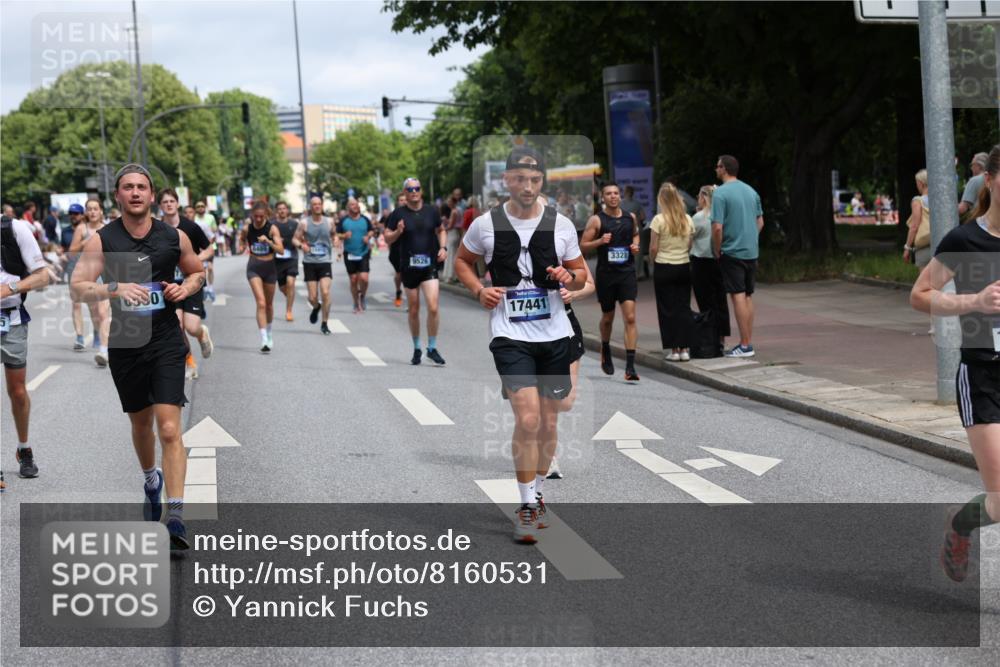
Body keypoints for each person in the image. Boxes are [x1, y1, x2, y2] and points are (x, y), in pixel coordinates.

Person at [455, 146, 587, 544]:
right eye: (519, 179)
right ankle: (527, 505)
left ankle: (539, 491)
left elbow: (581, 276)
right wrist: (479, 289)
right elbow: (462, 261)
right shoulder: (485, 224)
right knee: (528, 419)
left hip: (555, 335)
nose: (527, 186)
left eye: (534, 180)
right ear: (507, 181)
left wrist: (569, 278)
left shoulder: (561, 224)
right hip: (510, 335)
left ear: (541, 182)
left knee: (549, 422)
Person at [72, 163, 205, 549]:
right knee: (141, 424)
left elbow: (198, 272)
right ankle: (151, 479)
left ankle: (176, 515)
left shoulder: (173, 236)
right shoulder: (103, 239)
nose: (135, 193)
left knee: (168, 428)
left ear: (151, 195)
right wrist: (115, 287)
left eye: (141, 187)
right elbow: (79, 287)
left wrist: (186, 288)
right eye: (127, 187)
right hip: (127, 341)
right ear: (118, 195)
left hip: (165, 338)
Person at [911, 143, 1000, 583]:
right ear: (990, 181)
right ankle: (960, 524)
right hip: (984, 376)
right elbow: (919, 295)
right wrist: (975, 301)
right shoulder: (966, 240)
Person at [1, 209, 50, 488]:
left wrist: (9, 289)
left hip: (11, 320)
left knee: (17, 392)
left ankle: (24, 448)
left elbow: (43, 277)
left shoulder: (14, 229)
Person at [580, 182, 640, 381]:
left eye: (616, 193)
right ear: (603, 198)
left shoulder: (629, 217)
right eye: (609, 194)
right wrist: (599, 241)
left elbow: (636, 235)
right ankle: (605, 348)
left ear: (620, 196)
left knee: (630, 317)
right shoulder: (597, 220)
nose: (613, 196)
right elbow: (582, 247)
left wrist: (635, 246)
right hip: (606, 275)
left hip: (627, 273)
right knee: (608, 318)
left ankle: (630, 367)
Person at [384, 178, 447, 365]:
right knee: (413, 309)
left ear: (421, 191)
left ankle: (432, 347)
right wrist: (398, 232)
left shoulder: (431, 211)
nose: (414, 191)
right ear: (404, 192)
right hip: (409, 266)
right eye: (410, 189)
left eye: (417, 188)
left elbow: (441, 230)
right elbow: (387, 238)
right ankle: (417, 347)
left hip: (429, 265)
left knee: (433, 306)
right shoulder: (398, 213)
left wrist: (443, 248)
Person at [157, 189, 214, 378]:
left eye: (172, 201)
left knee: (191, 326)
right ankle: (190, 362)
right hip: (170, 285)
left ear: (177, 203)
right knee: (177, 326)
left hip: (190, 282)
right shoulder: (156, 229)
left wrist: (194, 260)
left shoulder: (190, 227)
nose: (169, 205)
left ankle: (201, 333)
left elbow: (209, 249)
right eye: (165, 202)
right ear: (160, 206)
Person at [712, 155, 763, 358]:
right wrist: (750, 238)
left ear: (724, 169)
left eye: (717, 166)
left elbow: (717, 227)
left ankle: (744, 344)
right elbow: (760, 222)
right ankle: (747, 341)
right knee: (748, 295)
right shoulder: (751, 191)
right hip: (751, 250)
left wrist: (718, 249)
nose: (715, 169)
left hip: (731, 251)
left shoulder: (720, 194)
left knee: (737, 295)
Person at [548, 258, 596, 480]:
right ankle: (549, 457)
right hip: (532, 328)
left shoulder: (565, 244)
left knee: (565, 402)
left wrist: (572, 294)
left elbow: (590, 284)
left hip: (566, 326)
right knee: (545, 402)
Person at [650, 182, 696, 361]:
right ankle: (685, 348)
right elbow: (690, 244)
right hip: (683, 265)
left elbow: (653, 247)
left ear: (661, 200)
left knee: (667, 309)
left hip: (664, 265)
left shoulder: (659, 220)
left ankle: (674, 349)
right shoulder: (687, 219)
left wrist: (653, 261)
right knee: (683, 307)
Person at [68, 199, 112, 366]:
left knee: (102, 312)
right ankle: (92, 334)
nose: (93, 212)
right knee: (90, 309)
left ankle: (103, 350)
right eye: (90, 209)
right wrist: (88, 241)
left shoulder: (109, 228)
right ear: (86, 212)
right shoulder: (81, 228)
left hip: (104, 273)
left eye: (96, 209)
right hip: (85, 273)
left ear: (101, 211)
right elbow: (71, 253)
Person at [239, 201, 285, 352]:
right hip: (254, 267)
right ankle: (264, 338)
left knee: (269, 305)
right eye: (255, 216)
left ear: (266, 215)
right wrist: (241, 246)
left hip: (270, 268)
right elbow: (242, 238)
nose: (258, 219)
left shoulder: (272, 228)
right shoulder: (247, 228)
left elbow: (281, 250)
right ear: (252, 215)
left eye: (261, 216)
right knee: (261, 303)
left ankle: (270, 332)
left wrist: (269, 241)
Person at [690, 185, 730, 344]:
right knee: (720, 299)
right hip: (719, 260)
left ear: (704, 198)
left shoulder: (698, 217)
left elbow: (690, 238)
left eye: (699, 196)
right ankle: (722, 336)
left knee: (705, 300)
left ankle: (709, 334)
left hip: (701, 261)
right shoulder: (722, 215)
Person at [295, 196, 336, 335]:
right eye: (314, 204)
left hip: (325, 261)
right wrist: (301, 245)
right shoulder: (304, 223)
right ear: (310, 207)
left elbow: (334, 235)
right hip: (309, 262)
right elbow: (295, 239)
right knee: (312, 297)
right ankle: (316, 306)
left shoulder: (329, 221)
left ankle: (324, 323)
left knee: (325, 292)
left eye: (319, 204)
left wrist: (336, 241)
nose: (317, 206)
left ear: (322, 205)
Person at [337, 197, 374, 313]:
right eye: (353, 205)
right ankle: (355, 302)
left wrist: (368, 237)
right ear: (348, 208)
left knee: (364, 278)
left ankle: (362, 296)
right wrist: (344, 236)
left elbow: (372, 230)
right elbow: (337, 234)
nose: (356, 206)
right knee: (353, 280)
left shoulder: (365, 219)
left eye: (357, 204)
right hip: (349, 253)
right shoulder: (344, 221)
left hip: (363, 252)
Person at [271, 201, 300, 321]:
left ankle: (289, 311)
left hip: (291, 257)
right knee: (283, 288)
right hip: (277, 260)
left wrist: (301, 243)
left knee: (290, 283)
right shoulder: (272, 225)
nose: (282, 211)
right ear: (276, 211)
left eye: (284, 208)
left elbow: (300, 237)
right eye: (279, 209)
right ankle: (290, 297)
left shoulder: (294, 224)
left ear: (287, 210)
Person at [903, 169, 932, 269]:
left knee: (924, 283)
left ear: (921, 183)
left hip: (925, 246)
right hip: (943, 246)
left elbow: (914, 226)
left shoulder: (917, 201)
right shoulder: (940, 199)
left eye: (916, 183)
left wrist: (907, 248)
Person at [193, 201, 217, 301]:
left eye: (202, 206)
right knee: (202, 269)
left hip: (209, 246)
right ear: (195, 208)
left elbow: (214, 231)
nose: (200, 208)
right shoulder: (194, 218)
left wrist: (208, 244)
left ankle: (210, 288)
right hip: (198, 249)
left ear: (205, 207)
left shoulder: (210, 217)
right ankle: (205, 288)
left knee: (210, 268)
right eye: (198, 206)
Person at [386, 192, 407, 306]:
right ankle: (398, 291)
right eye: (401, 200)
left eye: (405, 199)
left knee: (410, 274)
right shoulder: (393, 215)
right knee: (399, 274)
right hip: (396, 249)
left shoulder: (414, 213)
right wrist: (398, 231)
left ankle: (412, 301)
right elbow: (387, 234)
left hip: (411, 249)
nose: (403, 202)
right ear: (397, 202)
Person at [959, 152, 989, 219]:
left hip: (978, 221)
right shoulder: (993, 179)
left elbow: (962, 208)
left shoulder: (974, 180)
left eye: (972, 165)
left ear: (979, 166)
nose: (971, 168)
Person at [442, 192, 464, 283]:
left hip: (452, 233)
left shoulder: (454, 211)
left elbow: (451, 225)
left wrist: (443, 228)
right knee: (454, 255)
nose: (448, 203)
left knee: (450, 255)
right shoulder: (458, 211)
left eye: (449, 201)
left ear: (453, 202)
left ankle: (450, 276)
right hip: (456, 234)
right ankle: (455, 276)